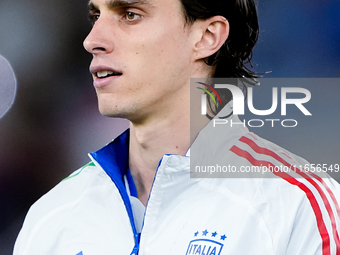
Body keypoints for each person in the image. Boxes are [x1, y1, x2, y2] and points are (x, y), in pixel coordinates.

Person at [13, 0, 340, 254]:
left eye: (130, 14)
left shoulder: (295, 204)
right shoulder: (51, 216)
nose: (92, 40)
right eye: (95, 15)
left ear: (207, 36)